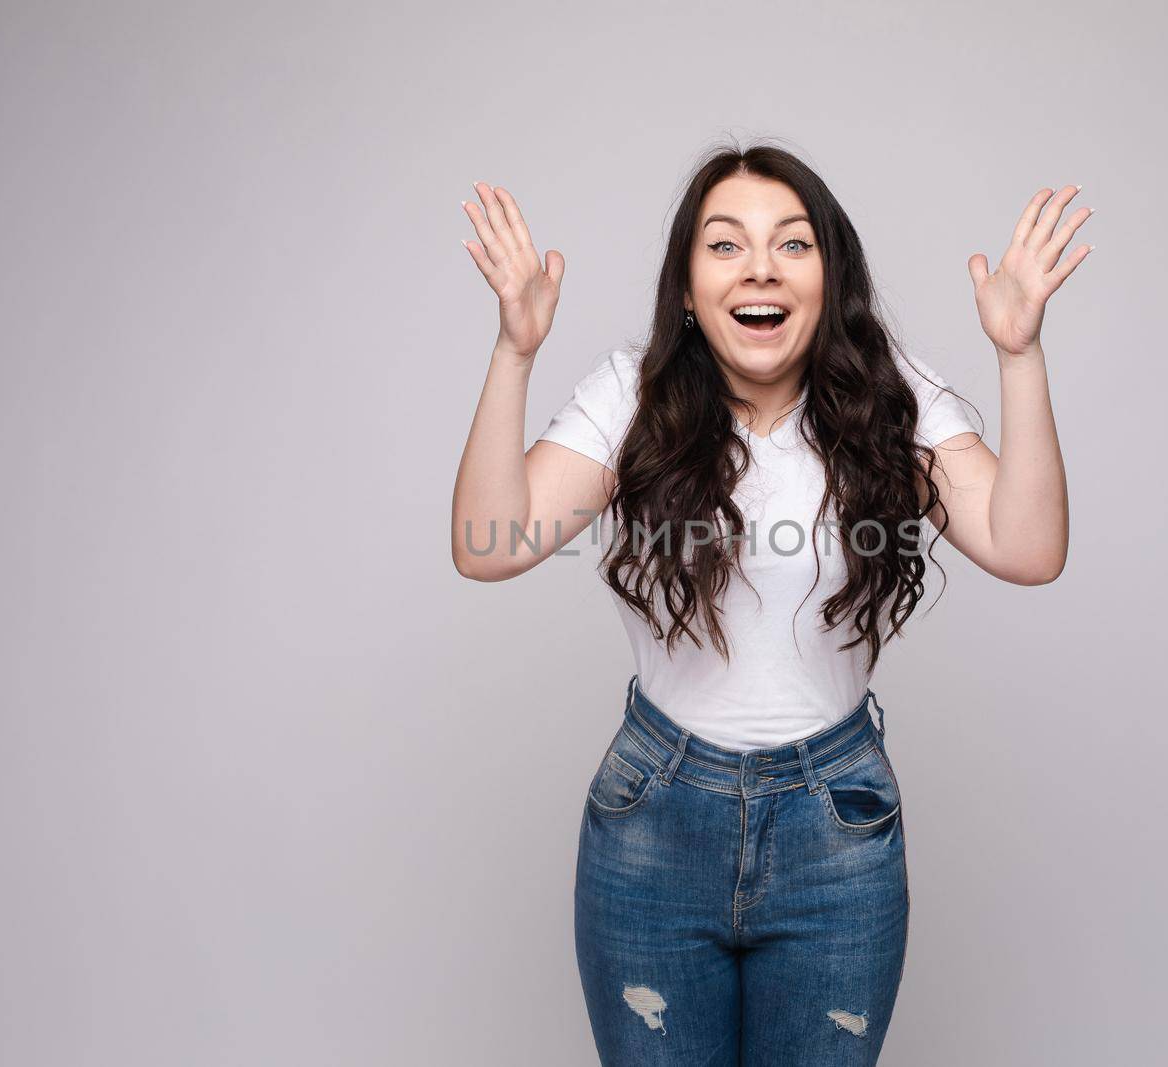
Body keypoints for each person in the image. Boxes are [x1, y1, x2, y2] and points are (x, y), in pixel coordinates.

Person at [451, 141, 1091, 1064]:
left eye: (793, 244)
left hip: (837, 831)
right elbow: (487, 543)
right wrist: (515, 353)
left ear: (830, 278)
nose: (759, 267)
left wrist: (1019, 355)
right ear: (686, 286)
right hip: (653, 826)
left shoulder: (888, 395)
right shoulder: (631, 396)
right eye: (725, 245)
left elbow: (1029, 549)